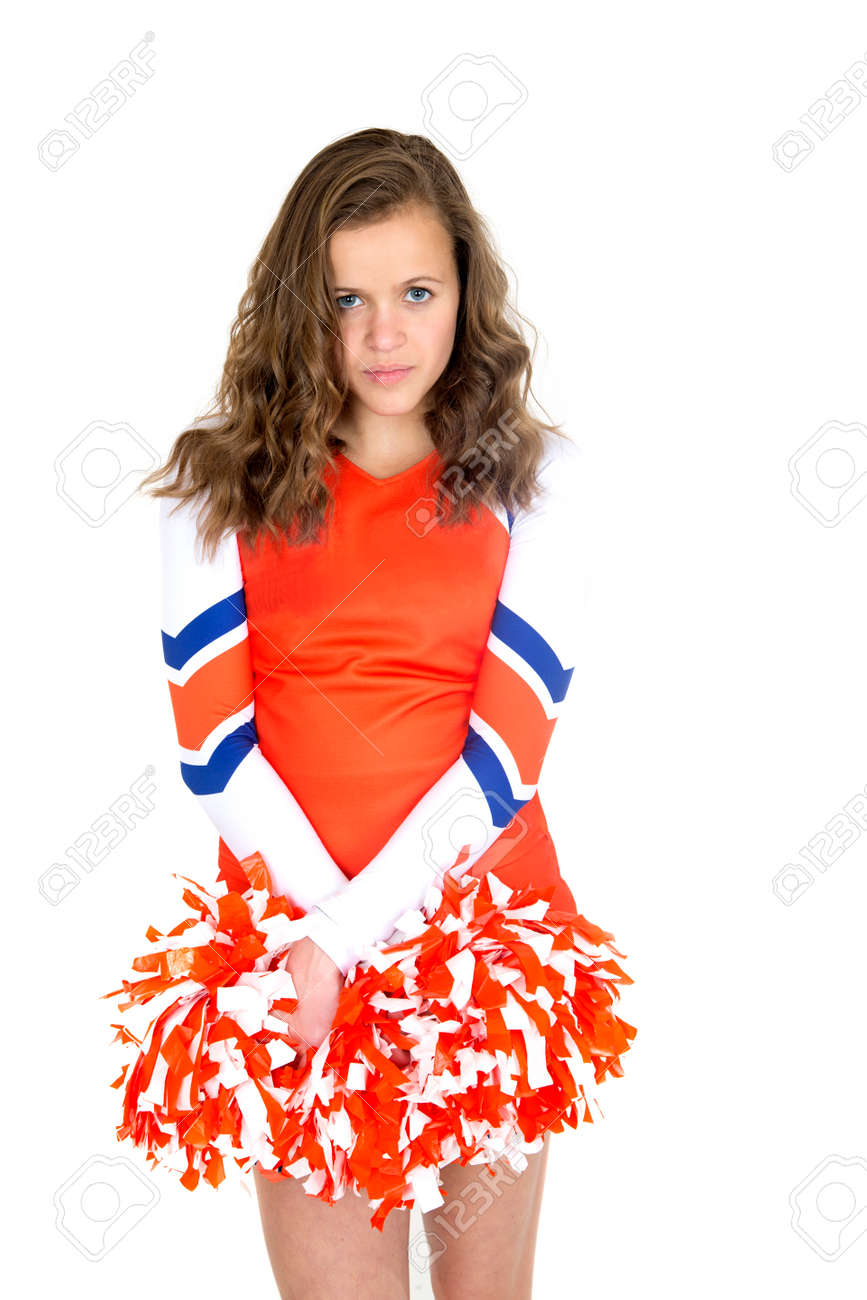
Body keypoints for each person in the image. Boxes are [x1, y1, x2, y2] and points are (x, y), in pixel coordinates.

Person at [139, 126, 590, 1300]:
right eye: (346, 298)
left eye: (416, 291)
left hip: (483, 945)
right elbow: (213, 751)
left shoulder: (536, 489)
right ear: (300, 307)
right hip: (287, 959)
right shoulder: (211, 489)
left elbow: (504, 762)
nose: (384, 333)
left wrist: (347, 936)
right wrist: (317, 942)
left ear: (464, 297)